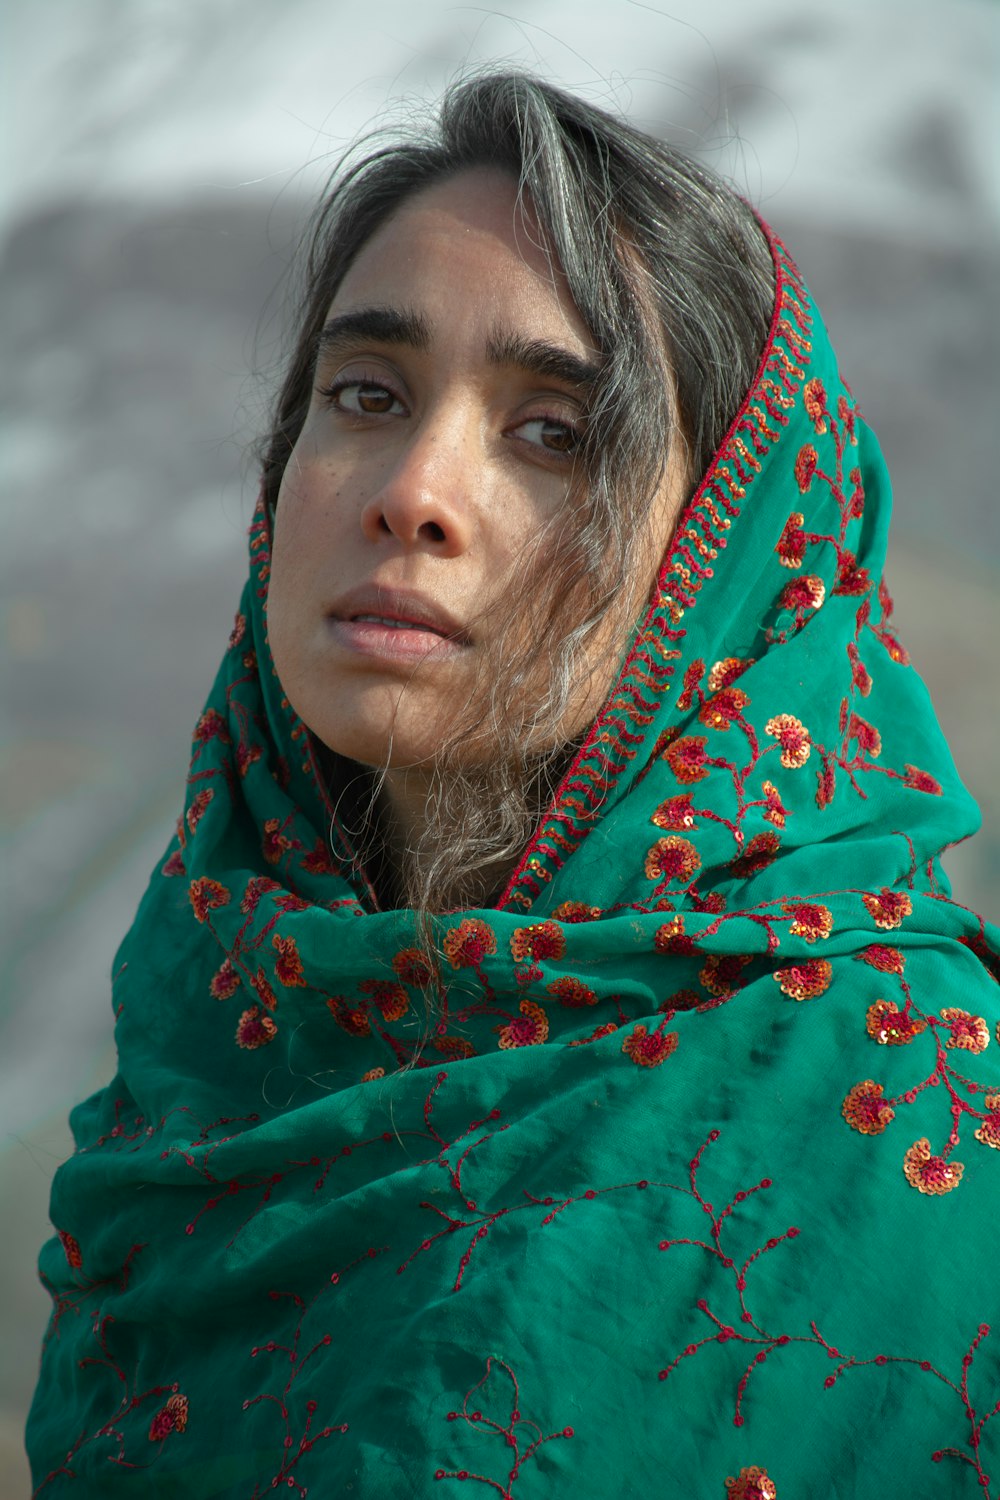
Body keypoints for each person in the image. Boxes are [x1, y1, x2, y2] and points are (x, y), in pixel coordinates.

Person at [26, 72, 998, 1499]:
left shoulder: (904, 1100)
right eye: (365, 394)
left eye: (554, 431)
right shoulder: (212, 1050)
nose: (412, 489)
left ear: (719, 559)